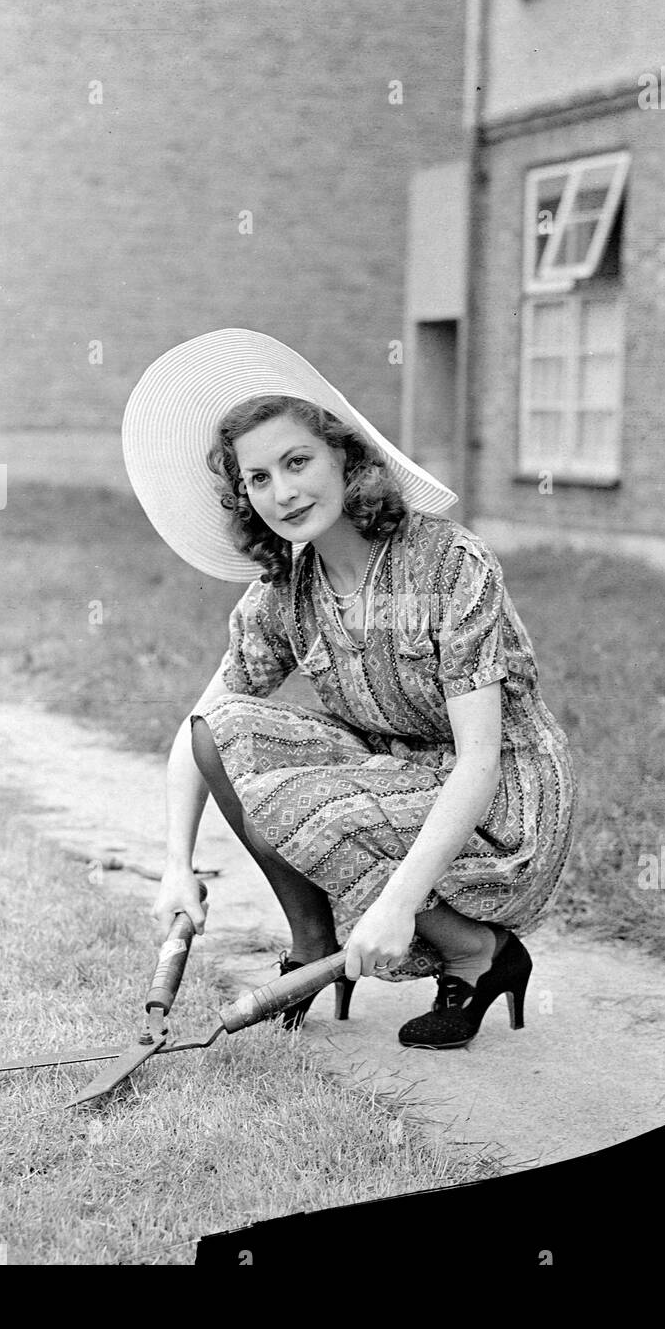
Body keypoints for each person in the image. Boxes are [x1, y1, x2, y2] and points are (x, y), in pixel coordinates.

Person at [122, 329, 578, 1049]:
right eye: (259, 479)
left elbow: (479, 760)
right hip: (393, 774)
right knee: (224, 733)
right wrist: (177, 868)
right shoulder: (286, 591)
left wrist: (396, 907)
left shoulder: (449, 563)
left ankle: (476, 952)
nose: (284, 492)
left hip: (500, 797)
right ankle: (313, 948)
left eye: (297, 461)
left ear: (345, 455)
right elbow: (200, 729)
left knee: (304, 801)